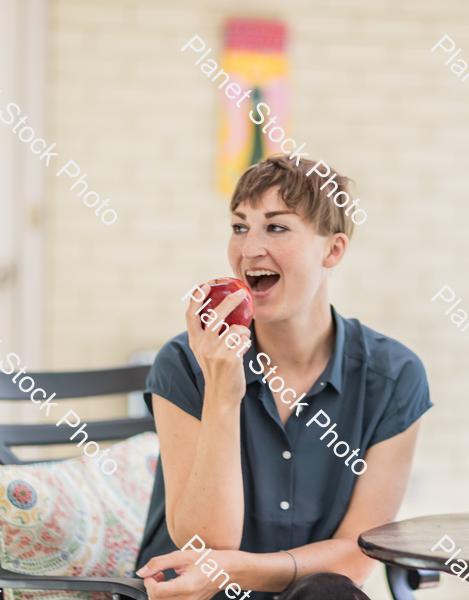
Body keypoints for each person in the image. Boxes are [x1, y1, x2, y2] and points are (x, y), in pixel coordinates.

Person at [135, 155, 433, 600]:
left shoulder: (393, 378)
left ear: (333, 250)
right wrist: (221, 393)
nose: (249, 249)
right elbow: (206, 547)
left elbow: (358, 554)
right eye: (239, 227)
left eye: (276, 227)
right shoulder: (185, 362)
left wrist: (242, 570)